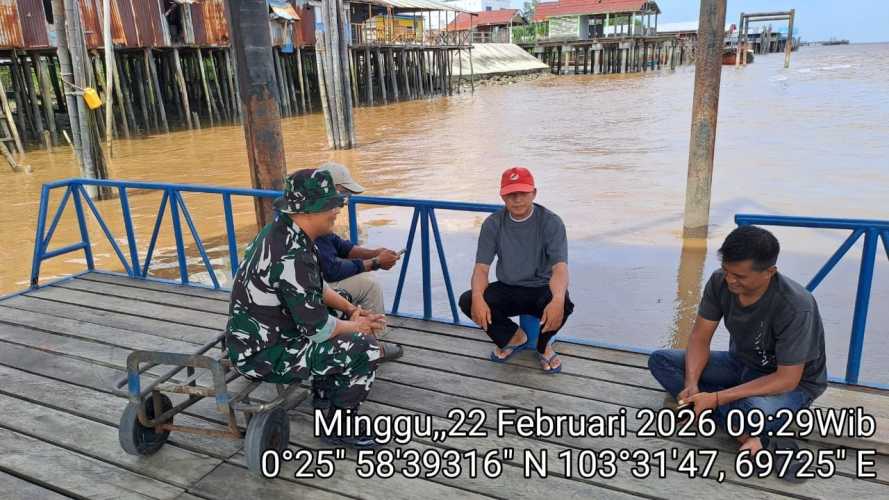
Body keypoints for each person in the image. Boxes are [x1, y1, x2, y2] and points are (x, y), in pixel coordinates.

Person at [648, 226, 827, 479]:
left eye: (740, 276)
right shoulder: (719, 281)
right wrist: (692, 383)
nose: (730, 280)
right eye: (727, 270)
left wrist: (717, 398)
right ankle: (741, 429)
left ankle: (741, 425)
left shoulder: (796, 306)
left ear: (769, 272)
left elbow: (787, 379)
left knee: (748, 409)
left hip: (792, 385)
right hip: (740, 364)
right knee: (661, 361)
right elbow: (700, 337)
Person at [225, 169, 387, 448]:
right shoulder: (293, 254)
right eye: (330, 205)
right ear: (308, 212)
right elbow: (319, 329)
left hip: (260, 337)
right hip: (261, 355)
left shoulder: (284, 231)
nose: (336, 209)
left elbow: (316, 287)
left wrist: (350, 309)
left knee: (344, 301)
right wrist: (359, 327)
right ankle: (339, 428)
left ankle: (326, 391)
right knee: (365, 347)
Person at [458, 167, 574, 373]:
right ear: (502, 196)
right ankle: (514, 337)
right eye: (511, 194)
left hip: (541, 288)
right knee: (468, 300)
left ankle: (543, 346)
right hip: (508, 287)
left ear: (534, 193)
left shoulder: (551, 221)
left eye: (523, 193)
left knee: (563, 302)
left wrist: (557, 300)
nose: (517, 199)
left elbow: (560, 268)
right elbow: (482, 268)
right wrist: (477, 296)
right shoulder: (493, 223)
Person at [314, 162, 401, 339]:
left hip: (315, 284)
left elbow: (339, 245)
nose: (343, 205)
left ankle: (367, 333)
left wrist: (374, 253)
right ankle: (376, 342)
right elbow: (331, 270)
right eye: (343, 196)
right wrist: (375, 263)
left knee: (364, 280)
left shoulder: (314, 216)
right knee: (369, 284)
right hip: (312, 290)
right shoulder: (312, 222)